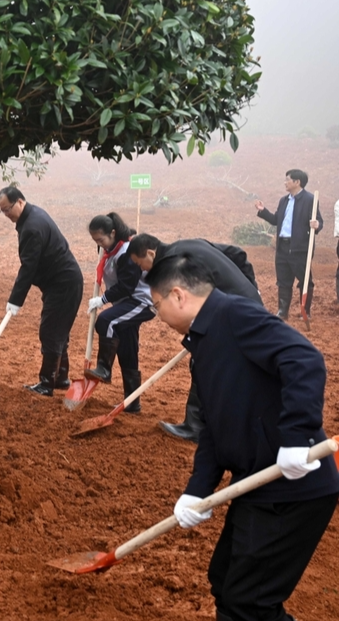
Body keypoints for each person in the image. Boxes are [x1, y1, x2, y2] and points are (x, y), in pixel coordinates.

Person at [145, 254, 339, 621]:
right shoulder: (203, 343)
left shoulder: (234, 315)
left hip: (294, 487)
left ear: (178, 295)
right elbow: (215, 428)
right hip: (257, 485)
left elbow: (304, 359)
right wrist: (197, 489)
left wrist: (296, 437)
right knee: (226, 582)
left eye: (158, 306)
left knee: (248, 602)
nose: (159, 317)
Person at [128, 234, 263, 442]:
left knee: (202, 361)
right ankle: (215, 422)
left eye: (140, 264)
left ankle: (196, 427)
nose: (143, 270)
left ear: (151, 253)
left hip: (230, 311)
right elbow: (237, 253)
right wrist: (251, 290)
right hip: (246, 304)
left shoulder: (172, 266)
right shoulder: (189, 244)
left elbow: (188, 304)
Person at [0, 186, 83, 396]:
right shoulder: (32, 216)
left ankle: (46, 384)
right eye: (3, 211)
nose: (6, 215)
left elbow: (28, 267)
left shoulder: (32, 227)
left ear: (19, 202)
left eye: (8, 209)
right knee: (58, 330)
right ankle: (61, 378)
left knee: (51, 331)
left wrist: (15, 300)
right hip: (62, 282)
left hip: (63, 284)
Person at [83, 213, 153, 413]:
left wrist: (102, 300)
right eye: (95, 241)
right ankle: (133, 403)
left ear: (113, 233)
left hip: (141, 301)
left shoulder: (126, 252)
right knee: (127, 349)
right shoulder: (109, 249)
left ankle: (104, 369)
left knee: (106, 321)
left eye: (101, 239)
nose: (99, 244)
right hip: (126, 302)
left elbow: (127, 286)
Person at [254, 168, 324, 320]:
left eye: (288, 180)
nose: (285, 183)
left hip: (300, 248)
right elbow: (275, 220)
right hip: (282, 247)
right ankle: (282, 311)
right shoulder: (283, 200)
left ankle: (305, 312)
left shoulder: (310, 199)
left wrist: (316, 224)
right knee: (283, 281)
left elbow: (319, 221)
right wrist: (263, 211)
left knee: (305, 281)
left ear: (297, 182)